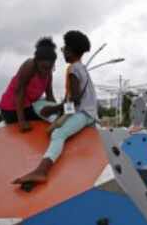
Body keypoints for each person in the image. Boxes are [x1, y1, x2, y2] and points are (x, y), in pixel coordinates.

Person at [12, 30, 98, 185]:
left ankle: (41, 171)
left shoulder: (72, 70)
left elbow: (76, 100)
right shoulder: (81, 67)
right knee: (53, 119)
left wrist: (57, 112)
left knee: (58, 134)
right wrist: (61, 110)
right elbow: (73, 96)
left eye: (64, 49)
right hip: (90, 112)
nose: (63, 51)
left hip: (84, 114)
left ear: (70, 52)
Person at [0, 37, 57, 131]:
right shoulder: (29, 66)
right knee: (43, 119)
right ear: (36, 61)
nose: (46, 71)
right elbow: (19, 92)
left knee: (52, 117)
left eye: (50, 67)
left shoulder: (48, 72)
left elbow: (50, 95)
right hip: (12, 109)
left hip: (29, 106)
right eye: (43, 67)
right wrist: (21, 121)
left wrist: (57, 111)